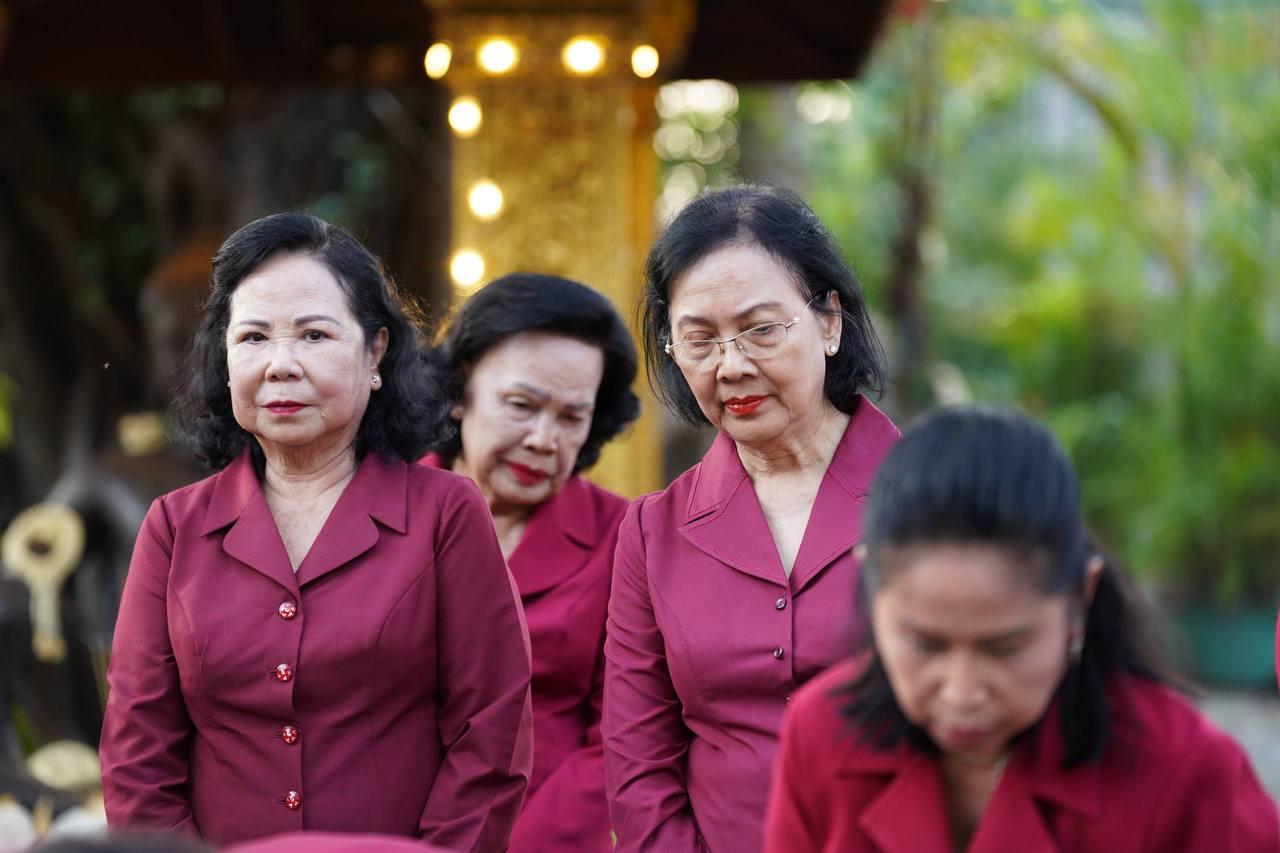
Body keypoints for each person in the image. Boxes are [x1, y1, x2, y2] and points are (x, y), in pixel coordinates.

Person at [99, 211, 533, 851]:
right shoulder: (173, 527)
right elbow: (139, 753)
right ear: (226, 358)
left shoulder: (446, 514)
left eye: (313, 335)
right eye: (253, 337)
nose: (280, 365)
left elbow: (490, 734)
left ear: (375, 351)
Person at [764, 406, 1280, 852]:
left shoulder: (1187, 771)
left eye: (1005, 648)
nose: (962, 691)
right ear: (872, 591)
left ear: (1079, 600)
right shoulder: (820, 735)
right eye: (925, 643)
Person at [603, 184, 899, 852]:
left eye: (761, 330)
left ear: (829, 322)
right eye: (699, 339)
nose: (731, 366)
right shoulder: (653, 532)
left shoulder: (934, 498)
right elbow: (639, 765)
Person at [421, 272, 641, 852]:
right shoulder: (381, 509)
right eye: (522, 405)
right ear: (460, 391)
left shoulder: (625, 537)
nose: (545, 440)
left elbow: (619, 737)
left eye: (571, 417)